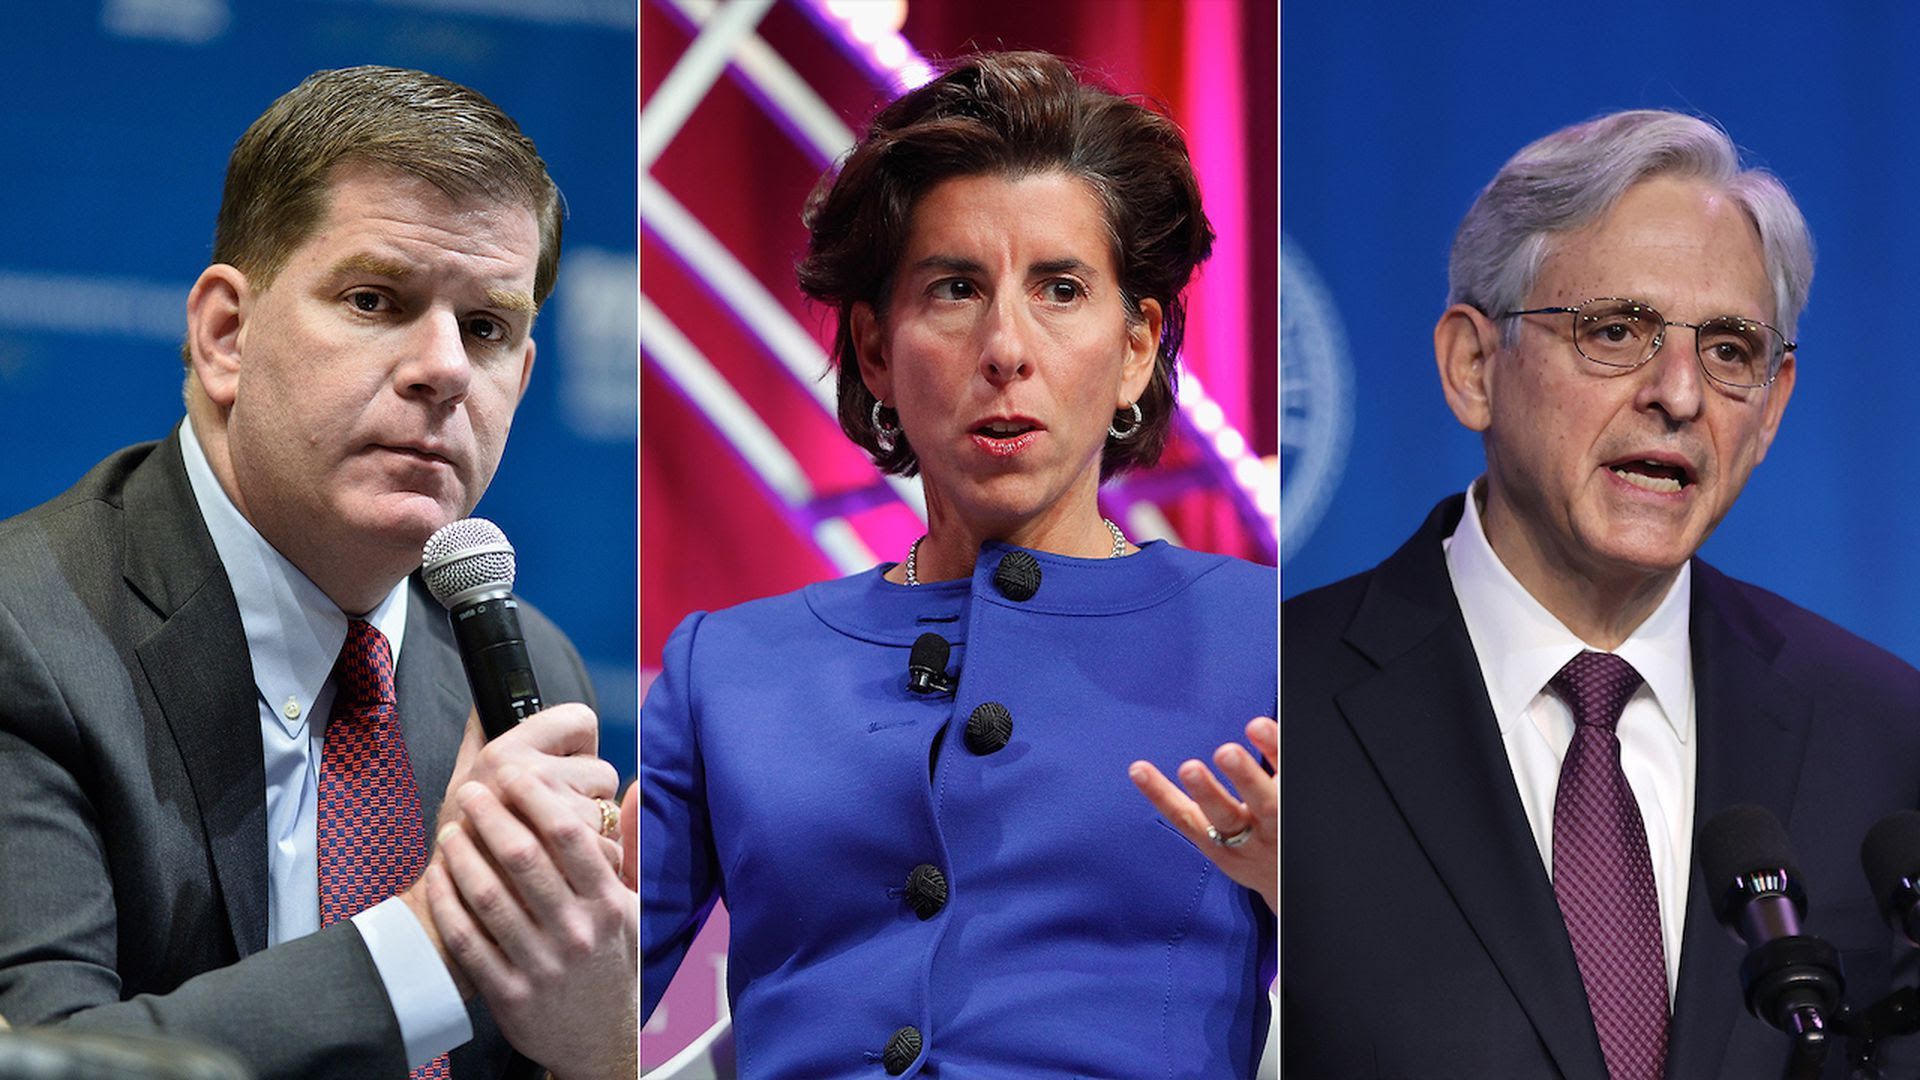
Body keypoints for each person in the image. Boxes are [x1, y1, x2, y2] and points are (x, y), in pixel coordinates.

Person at [640, 51, 1276, 1076]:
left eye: (1061, 289)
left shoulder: (1272, 639)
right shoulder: (729, 670)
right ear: (878, 350)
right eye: (954, 289)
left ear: (1136, 347)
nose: (1006, 347)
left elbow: (1437, 1003)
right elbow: (564, 1009)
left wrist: (1325, 897)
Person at [0, 66, 635, 1080]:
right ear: (225, 336)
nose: (444, 369)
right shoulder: (24, 633)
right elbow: (46, 1062)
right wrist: (436, 936)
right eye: (376, 299)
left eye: (486, 327)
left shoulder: (521, 671)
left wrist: (598, 1052)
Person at [1282, 109, 1920, 1078]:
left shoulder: (1879, 732)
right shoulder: (1275, 697)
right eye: (1616, 330)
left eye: (1729, 350)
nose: (1679, 393)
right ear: (1472, 365)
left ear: (1773, 407)